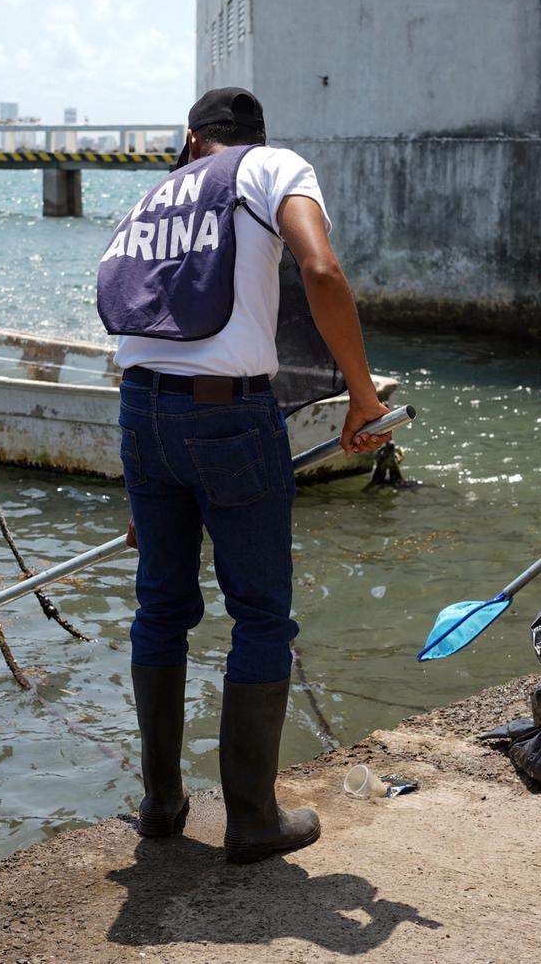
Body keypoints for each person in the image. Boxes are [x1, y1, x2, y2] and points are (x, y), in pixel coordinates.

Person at [96, 87, 390, 863]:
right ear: (255, 138)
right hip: (227, 415)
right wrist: (360, 394)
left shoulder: (154, 195)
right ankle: (252, 818)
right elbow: (320, 270)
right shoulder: (272, 167)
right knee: (260, 615)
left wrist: (150, 483)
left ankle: (161, 805)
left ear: (193, 141)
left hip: (140, 412)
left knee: (160, 606)